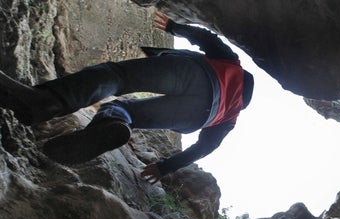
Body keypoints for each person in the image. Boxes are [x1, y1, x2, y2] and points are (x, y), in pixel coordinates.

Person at [0, 12, 254, 184]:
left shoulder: (233, 64)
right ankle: (108, 126)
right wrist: (164, 167)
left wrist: (173, 27)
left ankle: (47, 100)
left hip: (196, 75)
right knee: (125, 111)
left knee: (118, 77)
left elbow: (208, 40)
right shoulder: (231, 117)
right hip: (199, 115)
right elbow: (206, 148)